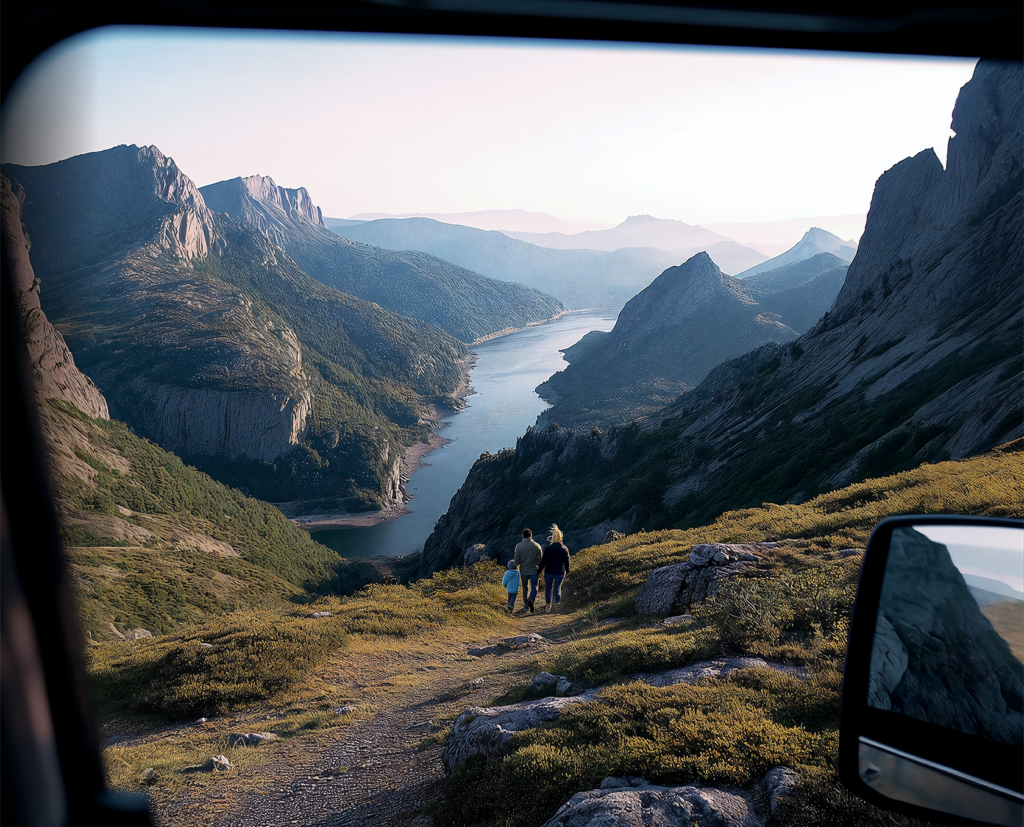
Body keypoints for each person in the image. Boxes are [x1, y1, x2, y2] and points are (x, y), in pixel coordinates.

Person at [539, 524, 570, 612]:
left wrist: (539, 571)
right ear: (561, 537)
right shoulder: (564, 548)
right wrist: (567, 571)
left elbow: (543, 562)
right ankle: (557, 604)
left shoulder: (548, 548)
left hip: (548, 571)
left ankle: (548, 606)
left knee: (548, 588)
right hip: (560, 572)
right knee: (557, 588)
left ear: (553, 537)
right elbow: (567, 562)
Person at [513, 528, 543, 612]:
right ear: (531, 535)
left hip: (524, 571)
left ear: (523, 536)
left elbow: (516, 562)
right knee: (535, 587)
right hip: (534, 570)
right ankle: (531, 598)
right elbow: (541, 560)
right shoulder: (537, 546)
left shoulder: (519, 546)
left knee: (525, 588)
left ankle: (526, 606)